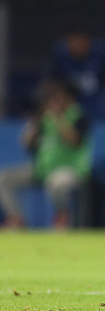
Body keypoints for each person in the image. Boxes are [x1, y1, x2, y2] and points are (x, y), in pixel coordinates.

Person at [0, 80, 92, 229]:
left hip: (69, 169)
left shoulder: (79, 115)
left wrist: (57, 118)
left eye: (59, 96)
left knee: (56, 183)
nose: (54, 101)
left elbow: (74, 141)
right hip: (42, 169)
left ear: (69, 98)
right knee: (3, 179)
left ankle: (62, 220)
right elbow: (28, 145)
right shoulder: (44, 117)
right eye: (52, 97)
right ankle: (16, 219)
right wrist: (35, 126)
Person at [47, 20, 105, 126]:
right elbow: (53, 86)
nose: (77, 46)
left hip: (98, 114)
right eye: (72, 42)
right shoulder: (60, 55)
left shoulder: (101, 53)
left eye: (81, 42)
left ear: (88, 41)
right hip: (70, 115)